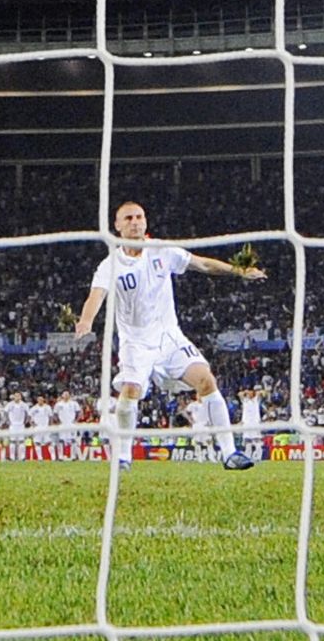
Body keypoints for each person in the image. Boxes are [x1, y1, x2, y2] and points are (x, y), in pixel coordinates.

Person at [74, 201, 268, 471]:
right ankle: (123, 456)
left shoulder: (162, 251)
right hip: (136, 343)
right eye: (128, 218)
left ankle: (230, 453)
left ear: (146, 222)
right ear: (117, 226)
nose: (135, 222)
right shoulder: (110, 264)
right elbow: (96, 296)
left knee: (206, 380)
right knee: (131, 391)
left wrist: (237, 271)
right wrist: (85, 321)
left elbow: (202, 264)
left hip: (170, 338)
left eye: (139, 216)